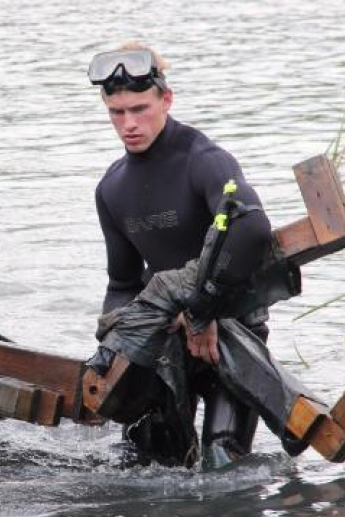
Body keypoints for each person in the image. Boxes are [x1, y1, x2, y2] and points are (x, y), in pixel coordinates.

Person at [88, 43, 274, 468]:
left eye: (139, 109)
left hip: (232, 334)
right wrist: (114, 353)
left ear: (165, 99)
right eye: (117, 112)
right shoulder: (112, 189)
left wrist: (203, 312)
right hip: (165, 341)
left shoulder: (203, 160)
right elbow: (121, 285)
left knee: (224, 461)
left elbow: (251, 229)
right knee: (152, 464)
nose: (129, 124)